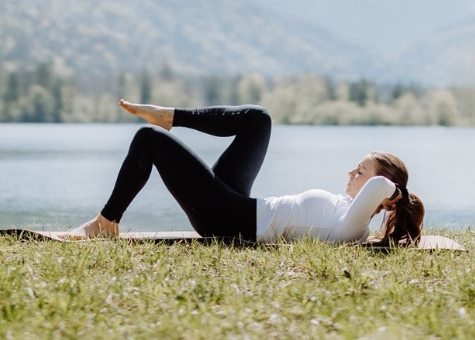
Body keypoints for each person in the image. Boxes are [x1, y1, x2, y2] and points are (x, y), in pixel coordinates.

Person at [71, 102, 425, 246]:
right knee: (259, 119)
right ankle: (172, 116)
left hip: (228, 220)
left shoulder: (353, 227)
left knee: (148, 140)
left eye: (360, 171)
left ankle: (106, 222)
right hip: (240, 205)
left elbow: (380, 185)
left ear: (383, 198)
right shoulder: (344, 208)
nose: (350, 171)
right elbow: (377, 185)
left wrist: (394, 192)